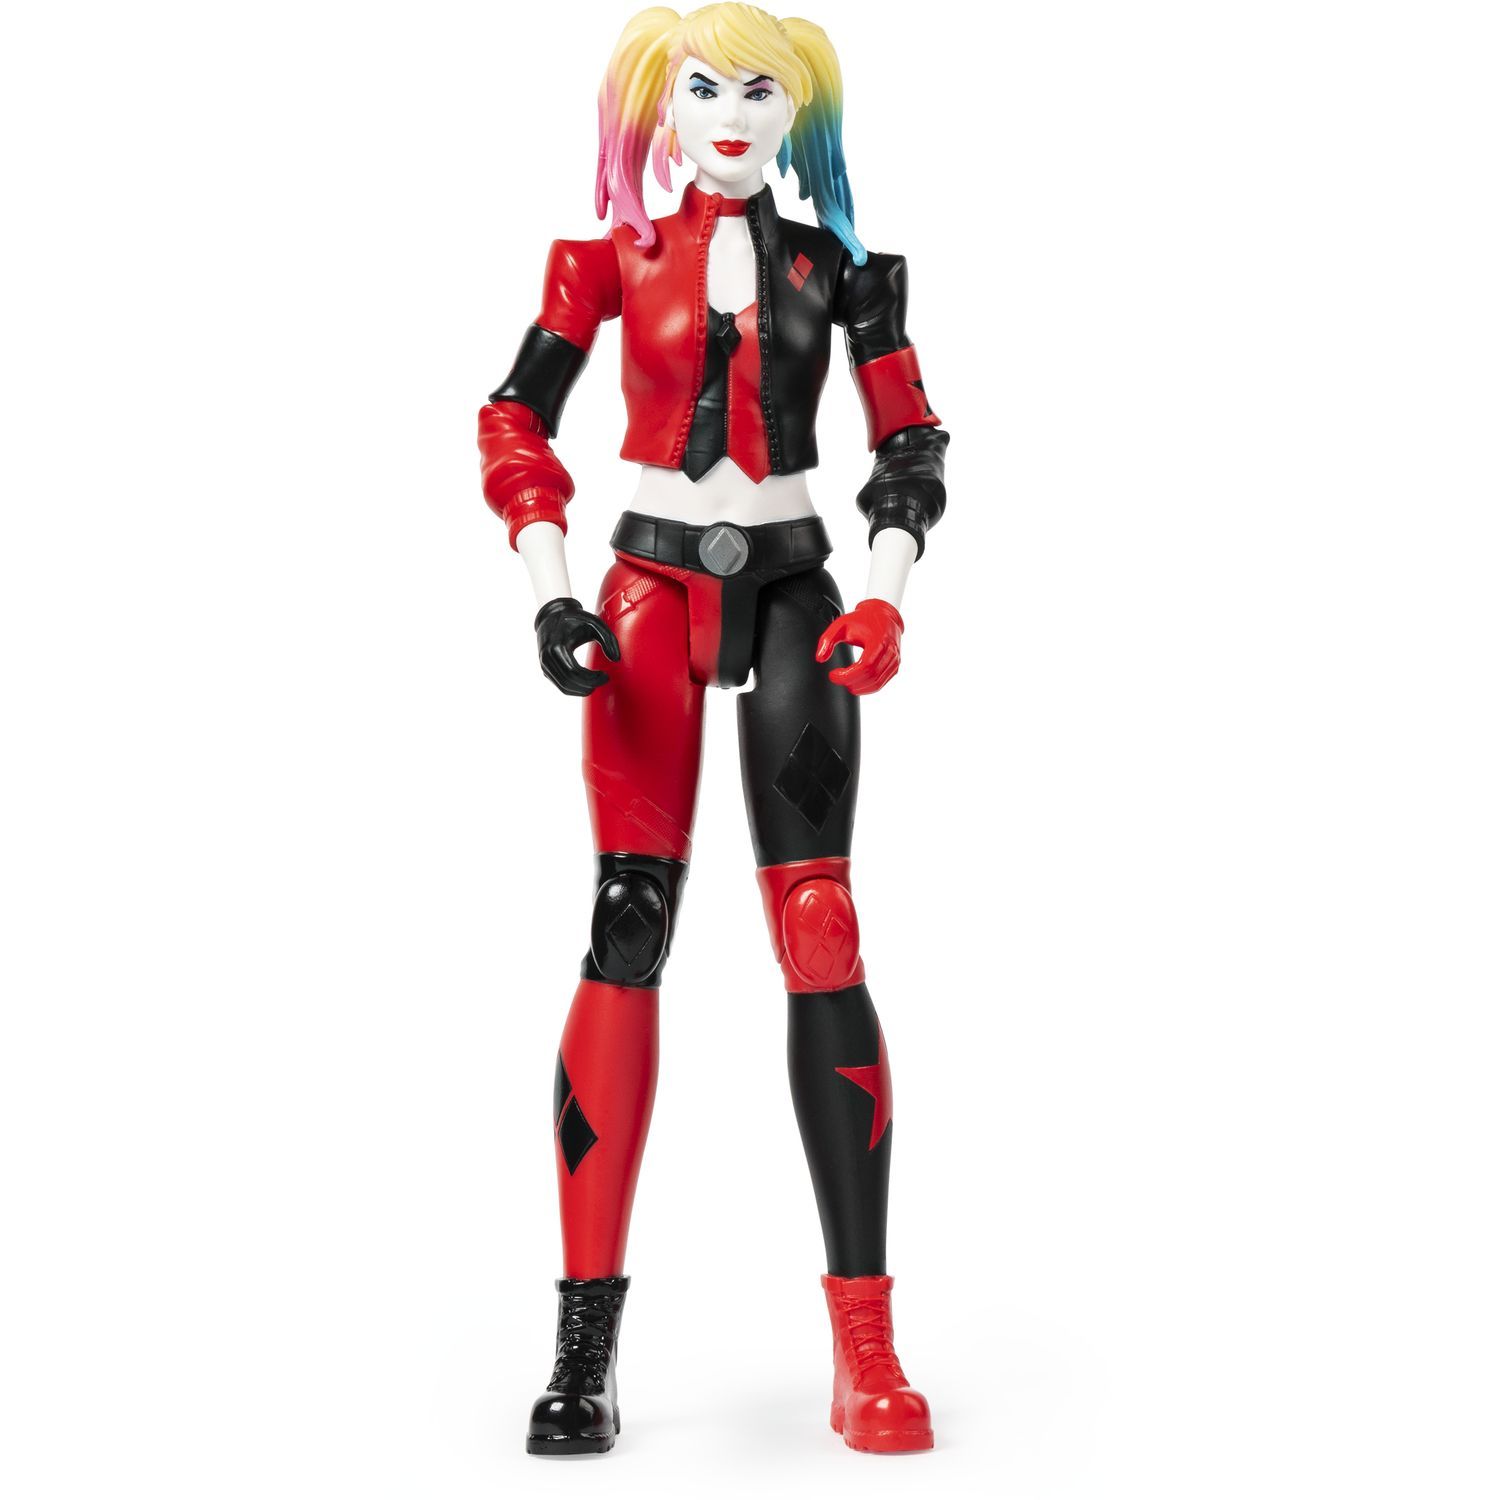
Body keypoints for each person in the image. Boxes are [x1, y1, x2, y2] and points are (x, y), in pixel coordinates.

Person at [478, 3, 949, 1455]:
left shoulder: (844, 271)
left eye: (759, 89)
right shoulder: (604, 262)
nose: (731, 115)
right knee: (628, 926)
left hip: (800, 590)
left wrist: (887, 591)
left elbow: (909, 441)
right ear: (661, 109)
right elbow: (514, 421)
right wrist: (552, 591)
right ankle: (584, 1346)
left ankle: (865, 1343)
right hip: (645, 590)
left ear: (794, 112)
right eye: (703, 88)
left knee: (821, 931)